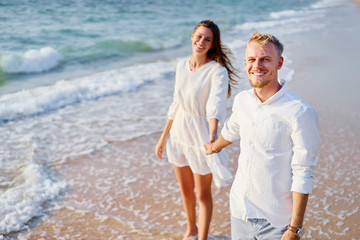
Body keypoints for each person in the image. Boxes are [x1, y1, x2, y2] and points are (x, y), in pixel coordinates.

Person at [204, 32, 321, 240]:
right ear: (246, 63)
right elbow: (232, 130)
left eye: (265, 59)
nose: (257, 65)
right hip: (240, 212)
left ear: (279, 63)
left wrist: (294, 229)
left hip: (276, 223)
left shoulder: (300, 112)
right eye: (251, 59)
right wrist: (214, 147)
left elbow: (304, 173)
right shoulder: (242, 101)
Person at [155, 20, 238, 240]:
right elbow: (176, 104)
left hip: (200, 135)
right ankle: (190, 230)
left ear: (212, 44)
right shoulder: (182, 65)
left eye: (207, 39)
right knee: (185, 190)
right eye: (199, 36)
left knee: (202, 194)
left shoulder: (217, 71)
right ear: (192, 36)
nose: (201, 42)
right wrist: (163, 139)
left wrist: (212, 137)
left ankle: (202, 237)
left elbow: (216, 105)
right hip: (179, 135)